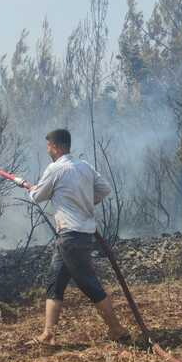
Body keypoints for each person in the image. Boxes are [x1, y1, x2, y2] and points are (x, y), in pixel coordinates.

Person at [25, 129, 130, 345]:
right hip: (77, 235)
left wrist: (30, 188)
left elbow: (37, 196)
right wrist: (85, 202)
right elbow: (104, 189)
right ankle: (48, 334)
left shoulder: (55, 169)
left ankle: (117, 330)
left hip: (71, 237)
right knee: (55, 282)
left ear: (55, 146)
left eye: (48, 146)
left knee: (89, 285)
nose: (47, 150)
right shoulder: (84, 166)